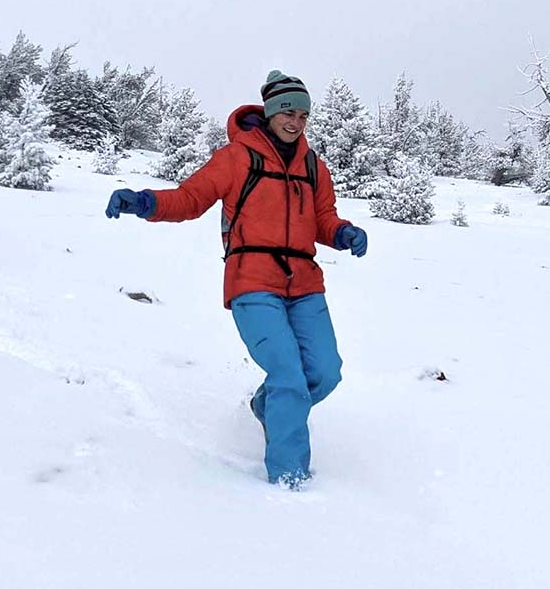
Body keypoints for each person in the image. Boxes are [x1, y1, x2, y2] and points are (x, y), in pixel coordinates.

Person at [105, 70, 368, 489]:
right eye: (288, 112)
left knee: (325, 372)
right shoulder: (236, 158)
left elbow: (323, 219)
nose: (296, 122)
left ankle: (268, 407)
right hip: (252, 280)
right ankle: (290, 479)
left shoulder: (314, 167)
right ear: (270, 112)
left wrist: (343, 233)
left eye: (303, 114)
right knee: (287, 372)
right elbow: (190, 198)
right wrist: (145, 201)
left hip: (304, 283)